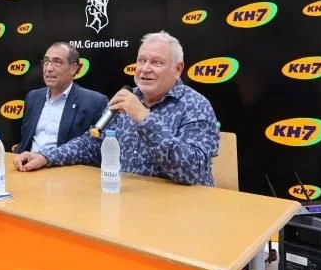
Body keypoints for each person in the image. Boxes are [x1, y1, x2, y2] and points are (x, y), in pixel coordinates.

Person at [13, 31, 220, 187]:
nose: (145, 69)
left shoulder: (195, 105)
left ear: (178, 69)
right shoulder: (127, 99)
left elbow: (192, 170)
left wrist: (143, 117)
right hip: (128, 204)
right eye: (141, 61)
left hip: (181, 212)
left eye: (156, 62)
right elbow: (91, 143)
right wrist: (46, 157)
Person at [14, 42, 108, 154]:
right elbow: (24, 142)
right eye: (46, 61)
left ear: (73, 68)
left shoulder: (95, 102)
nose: (48, 68)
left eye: (57, 62)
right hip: (28, 165)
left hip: (64, 167)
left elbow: (94, 150)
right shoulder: (33, 97)